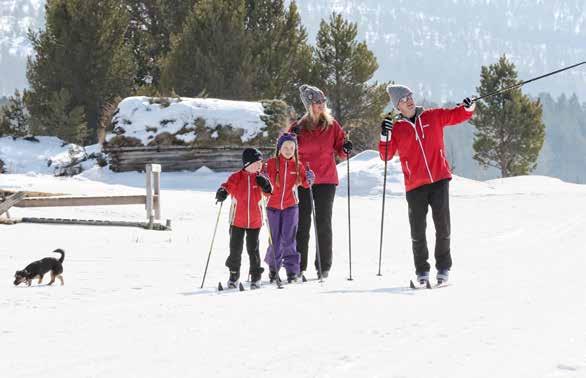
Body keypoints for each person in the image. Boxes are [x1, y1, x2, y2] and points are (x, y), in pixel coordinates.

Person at [379, 84, 476, 286]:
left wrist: (468, 107)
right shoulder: (396, 128)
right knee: (418, 231)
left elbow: (457, 115)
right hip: (414, 186)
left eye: (410, 95)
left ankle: (443, 268)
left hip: (439, 179)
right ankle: (422, 272)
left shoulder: (432, 116)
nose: (409, 100)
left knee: (443, 227)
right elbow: (386, 155)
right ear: (397, 106)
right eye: (404, 99)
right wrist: (384, 136)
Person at [290, 84, 353, 279]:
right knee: (302, 223)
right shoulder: (298, 128)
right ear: (309, 105)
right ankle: (299, 266)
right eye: (317, 102)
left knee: (323, 222)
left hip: (326, 179)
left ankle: (323, 266)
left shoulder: (332, 125)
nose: (321, 105)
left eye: (323, 101)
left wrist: (346, 148)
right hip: (304, 180)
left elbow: (341, 151)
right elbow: (288, 153)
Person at [215, 148, 273, 289]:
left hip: (255, 221)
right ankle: (234, 274)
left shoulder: (260, 178)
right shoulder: (236, 177)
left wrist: (265, 185)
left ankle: (256, 276)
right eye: (256, 163)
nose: (259, 166)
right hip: (237, 221)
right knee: (235, 249)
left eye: (260, 163)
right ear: (247, 164)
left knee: (253, 249)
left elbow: (270, 192)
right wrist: (222, 192)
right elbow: (226, 186)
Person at [264, 133, 315, 284]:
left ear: (295, 150)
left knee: (289, 239)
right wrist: (262, 175)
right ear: (279, 148)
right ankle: (274, 268)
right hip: (272, 206)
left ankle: (292, 271)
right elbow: (263, 179)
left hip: (291, 206)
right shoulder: (271, 163)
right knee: (275, 240)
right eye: (285, 147)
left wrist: (310, 178)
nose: (288, 150)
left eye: (291, 147)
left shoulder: (297, 165)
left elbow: (306, 183)